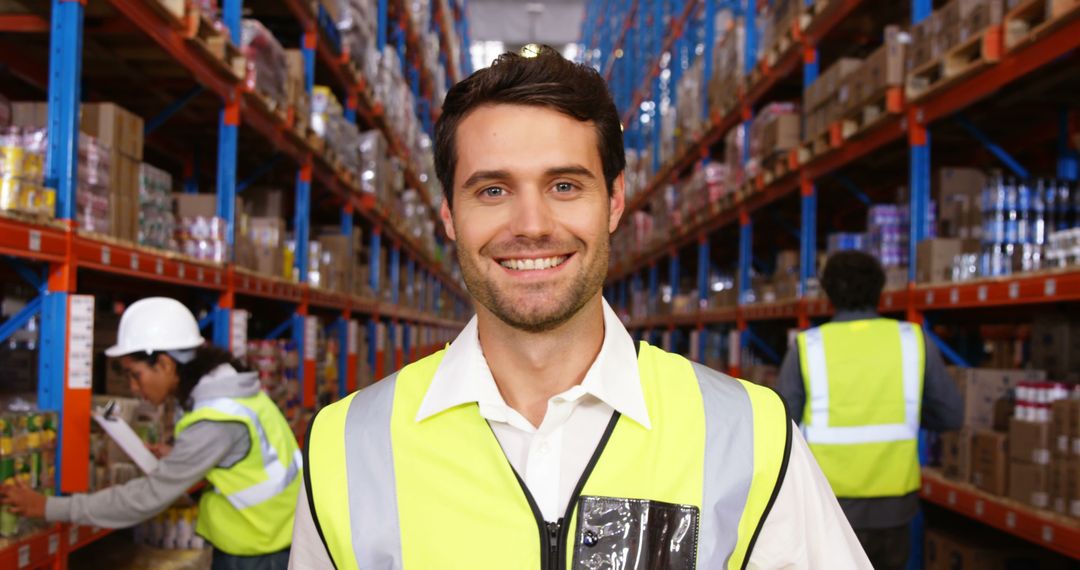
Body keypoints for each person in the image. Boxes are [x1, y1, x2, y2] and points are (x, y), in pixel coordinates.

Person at [290, 46, 870, 569]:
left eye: (565, 186)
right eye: (493, 190)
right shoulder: (345, 445)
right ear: (448, 214)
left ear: (614, 201)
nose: (532, 226)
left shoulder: (750, 433)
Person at [1, 297, 300, 570]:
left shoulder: (216, 419)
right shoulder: (231, 390)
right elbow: (243, 458)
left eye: (135, 374)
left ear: (165, 364)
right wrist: (183, 456)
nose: (133, 387)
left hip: (258, 551)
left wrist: (49, 507)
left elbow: (146, 498)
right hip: (272, 538)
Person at [777, 250, 964, 570]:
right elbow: (951, 415)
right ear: (880, 289)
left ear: (829, 293)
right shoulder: (913, 340)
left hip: (827, 505)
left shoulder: (808, 346)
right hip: (894, 508)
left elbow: (780, 429)